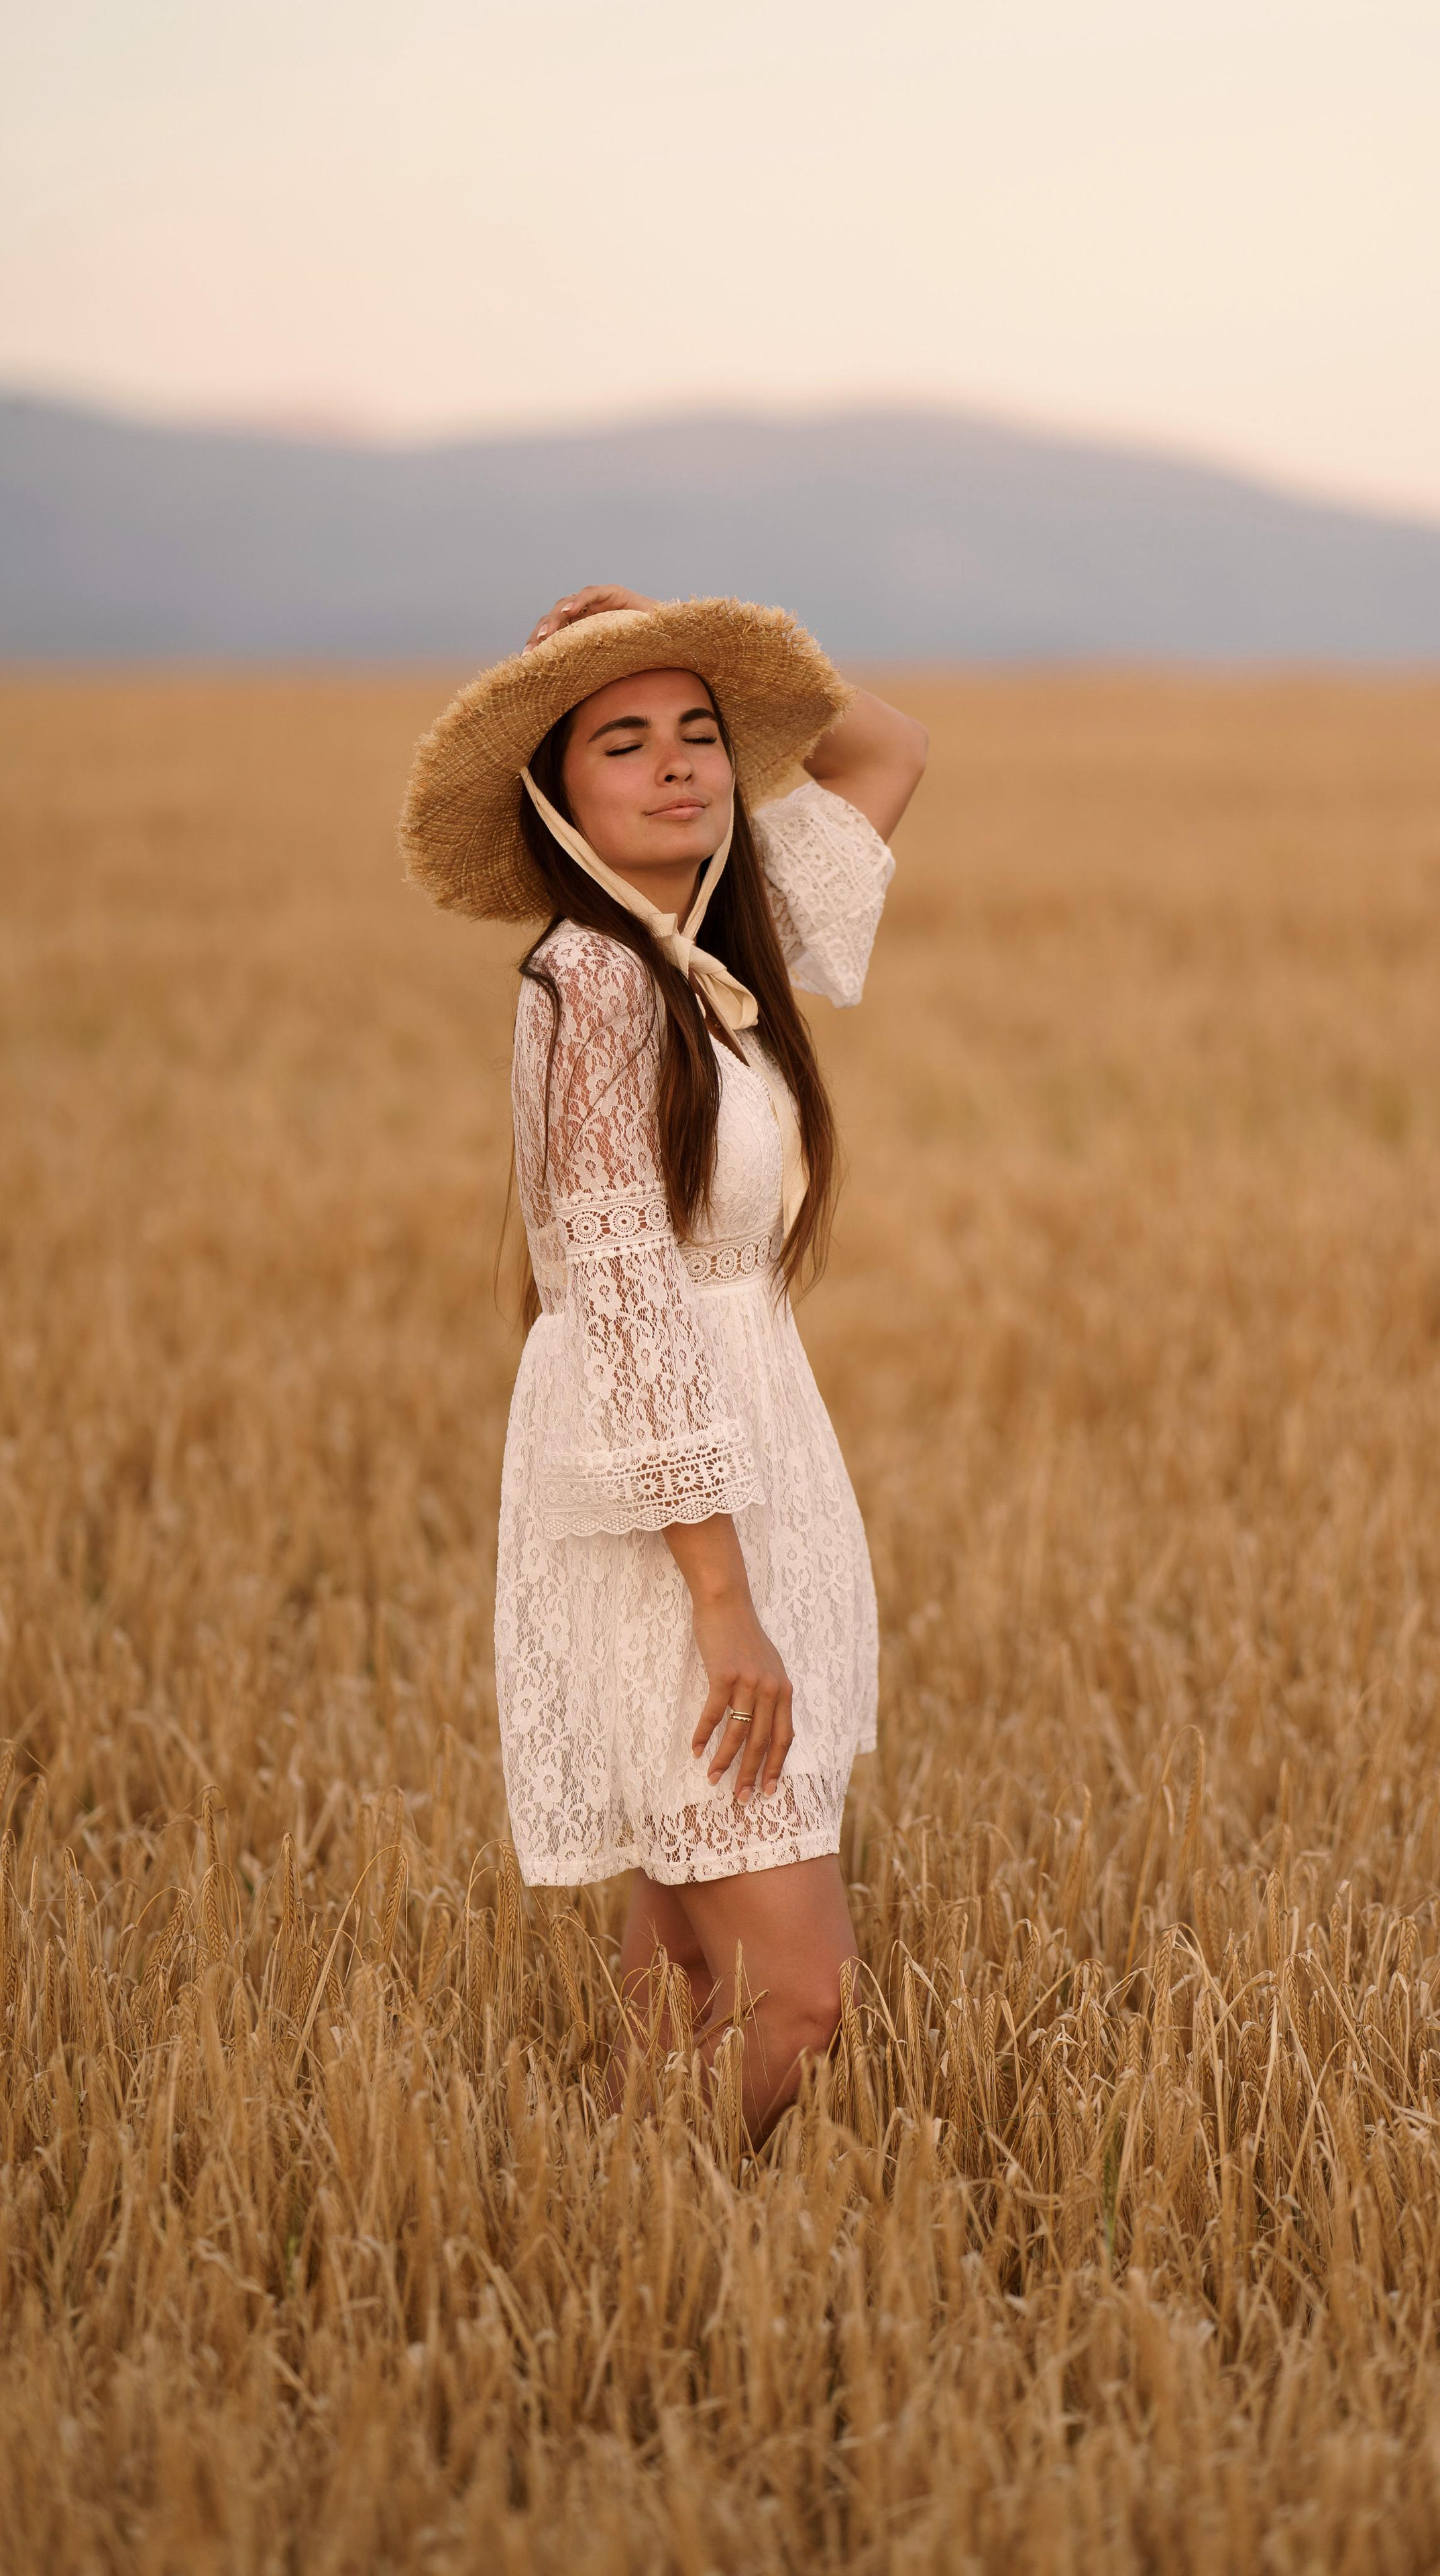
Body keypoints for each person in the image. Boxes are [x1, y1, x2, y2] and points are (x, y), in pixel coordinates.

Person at [399, 588, 927, 2137]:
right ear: (557, 798)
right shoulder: (595, 987)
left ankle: (624, 2265)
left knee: (686, 1976)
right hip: (670, 1512)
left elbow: (886, 746)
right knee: (801, 1991)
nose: (681, 765)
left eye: (703, 735)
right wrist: (719, 1599)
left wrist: (663, 630)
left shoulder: (711, 952)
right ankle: (653, 2259)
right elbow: (624, 1303)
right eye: (621, 744)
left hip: (756, 1464)